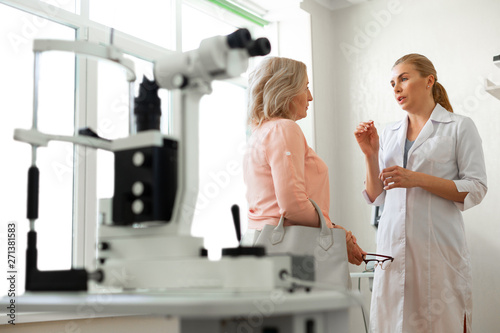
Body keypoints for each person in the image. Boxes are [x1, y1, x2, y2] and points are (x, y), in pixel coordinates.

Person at [354, 53, 487, 333]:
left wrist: (417, 179)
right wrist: (371, 154)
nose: (396, 88)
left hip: (438, 249)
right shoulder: (389, 133)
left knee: (441, 322)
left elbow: (476, 187)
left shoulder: (459, 127)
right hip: (392, 248)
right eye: (392, 83)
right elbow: (378, 196)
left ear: (429, 81)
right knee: (393, 323)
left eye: (403, 78)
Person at [241, 56, 365, 266]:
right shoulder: (284, 129)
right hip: (288, 249)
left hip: (261, 241)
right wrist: (334, 231)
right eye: (305, 87)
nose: (310, 97)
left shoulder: (260, 132)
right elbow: (294, 205)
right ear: (285, 90)